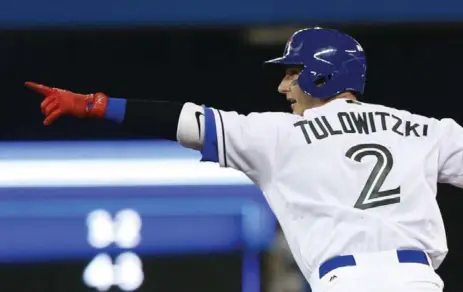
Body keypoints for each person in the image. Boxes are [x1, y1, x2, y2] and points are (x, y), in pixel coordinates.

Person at [26, 27, 455, 292]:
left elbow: (186, 120)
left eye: (292, 73)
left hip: (346, 282)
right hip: (419, 281)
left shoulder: (279, 134)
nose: (284, 87)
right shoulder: (424, 128)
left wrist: (95, 105)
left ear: (319, 75)